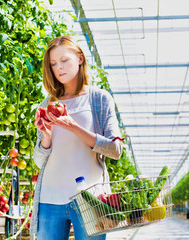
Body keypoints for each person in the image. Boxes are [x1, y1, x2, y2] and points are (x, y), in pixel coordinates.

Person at [30, 36, 123, 240]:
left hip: (90, 199)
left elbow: (115, 150)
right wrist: (46, 136)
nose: (59, 68)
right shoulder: (48, 104)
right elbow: (38, 161)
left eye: (64, 60)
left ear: (80, 58)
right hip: (49, 199)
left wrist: (72, 126)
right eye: (53, 64)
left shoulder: (99, 98)